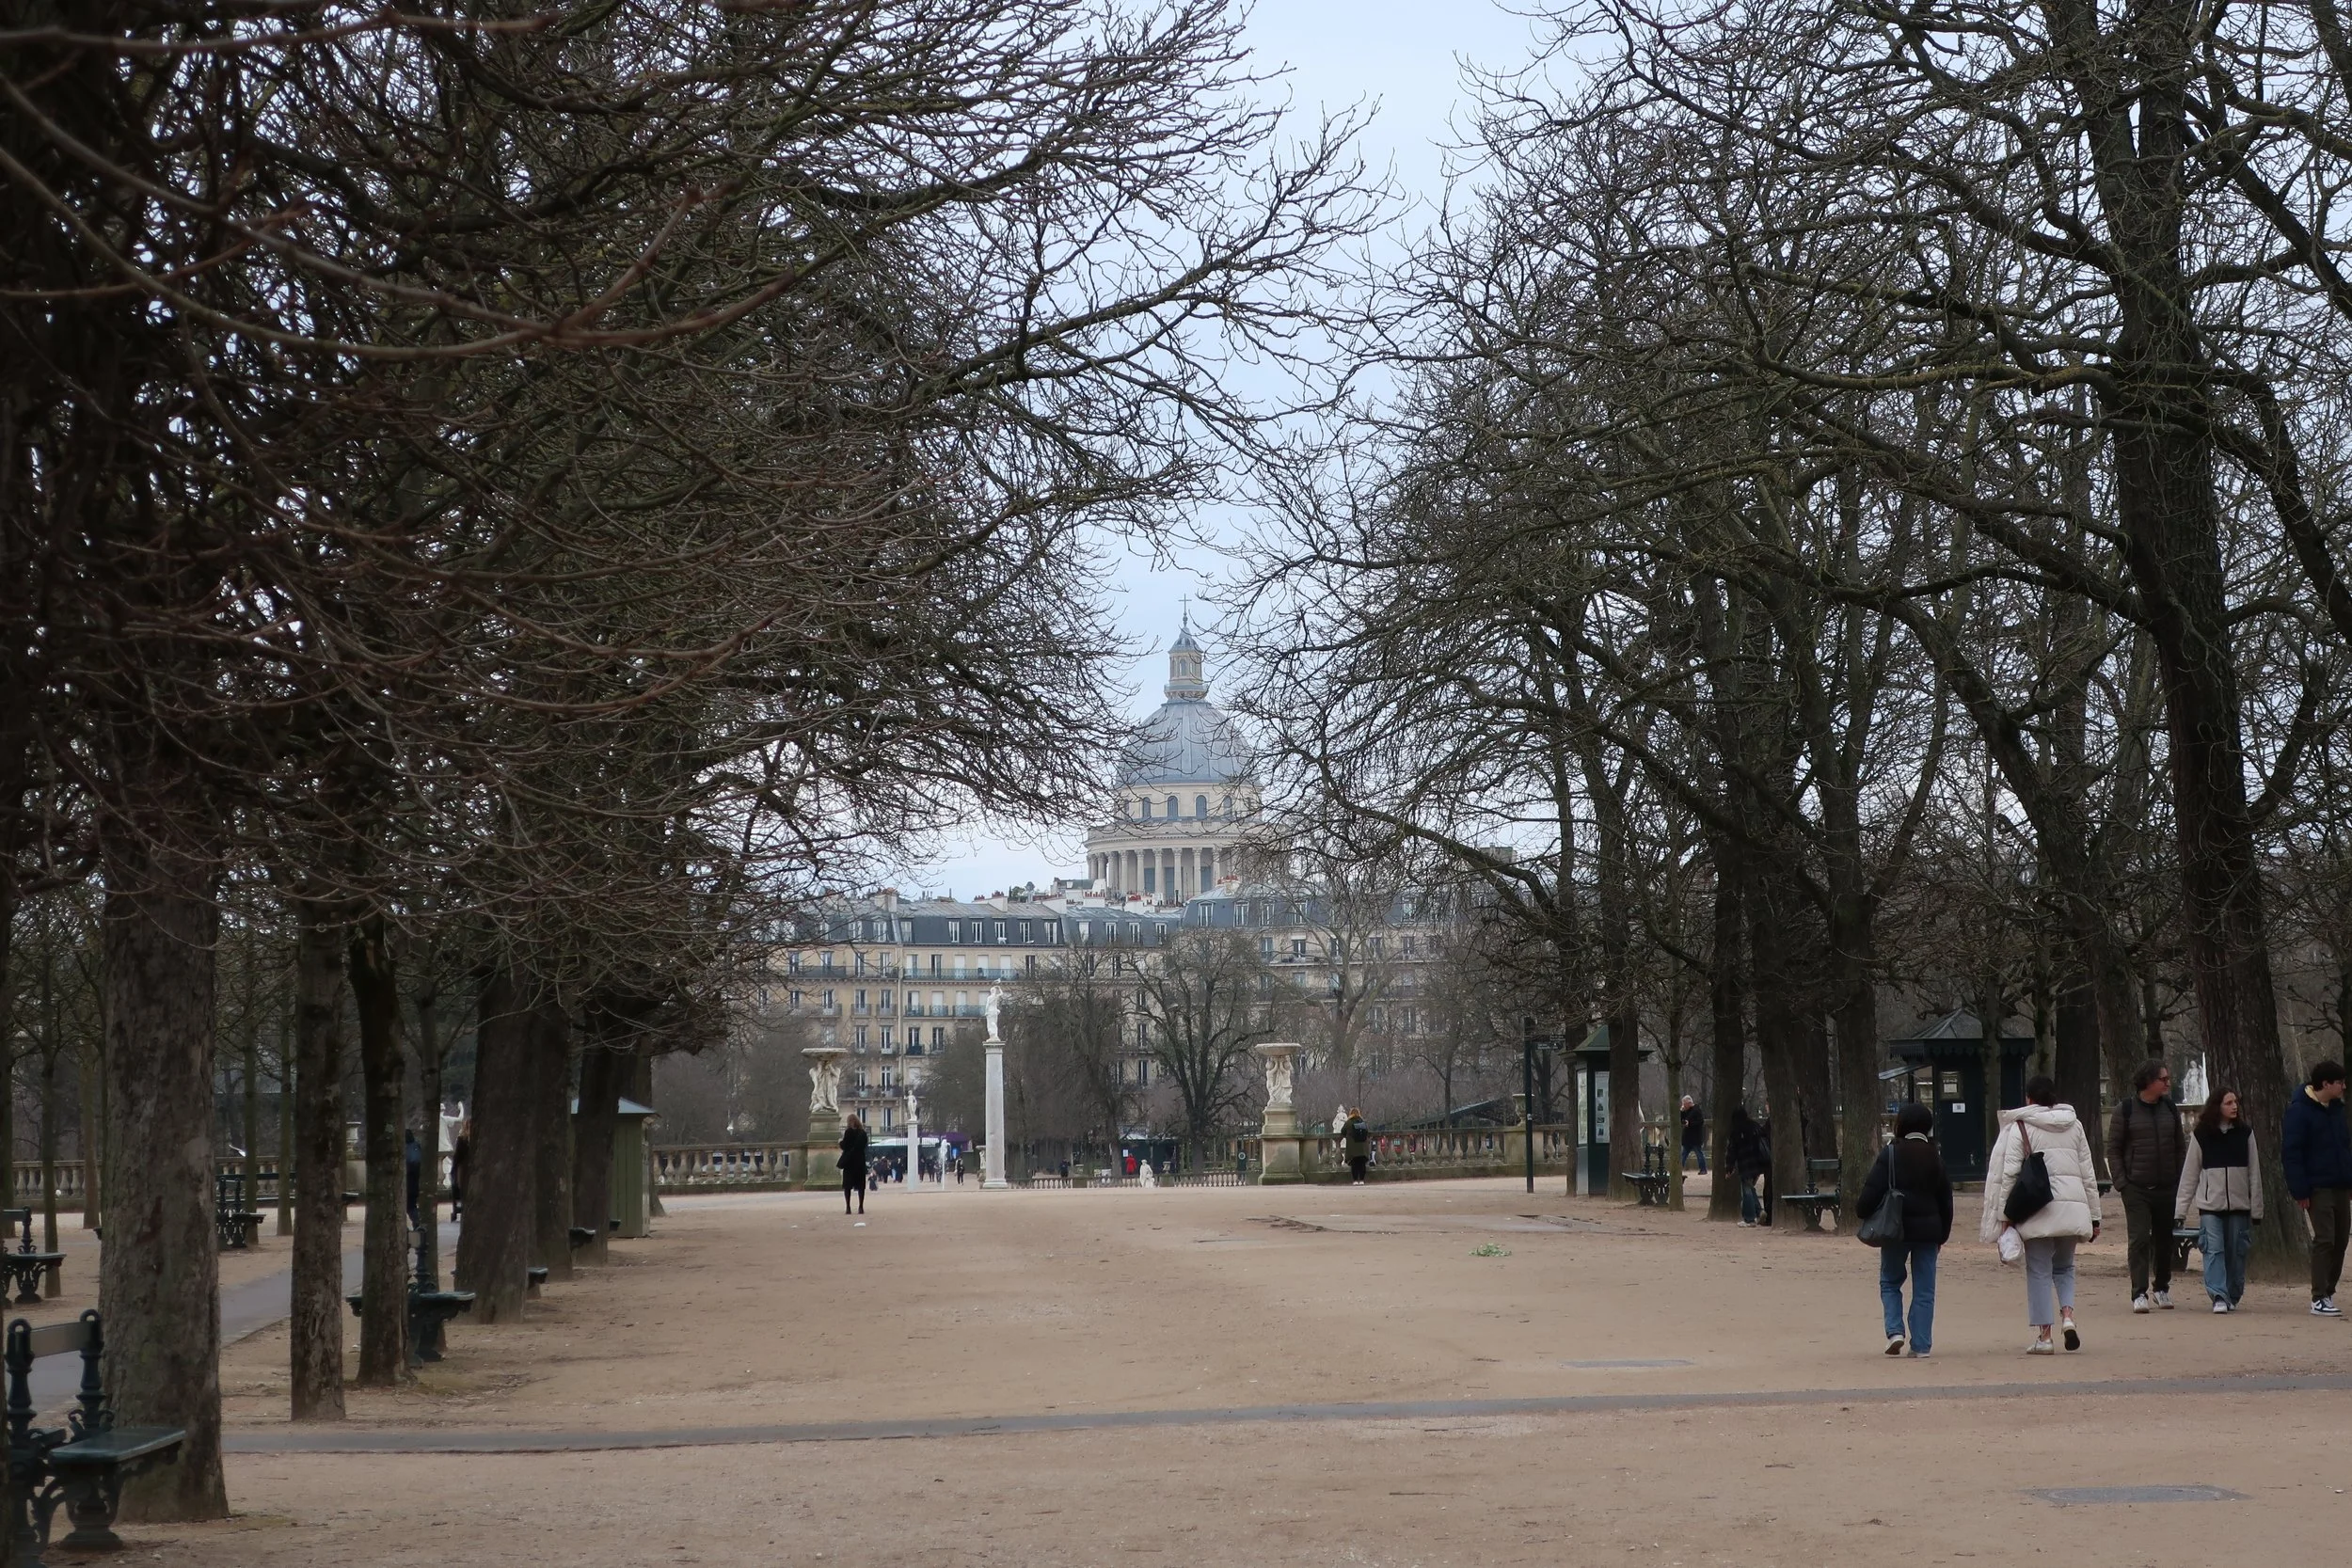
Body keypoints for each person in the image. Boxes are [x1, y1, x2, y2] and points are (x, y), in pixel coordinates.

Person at [1982, 1074, 2103, 1354]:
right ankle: (2069, 1316)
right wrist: (2094, 1217)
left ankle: (2045, 1336)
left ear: (2029, 1099)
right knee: (2065, 1267)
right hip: (2072, 1210)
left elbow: (2010, 1174)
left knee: (2038, 1271)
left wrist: (2005, 1218)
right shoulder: (2075, 1126)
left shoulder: (2021, 1126)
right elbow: (2088, 1174)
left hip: (2036, 1209)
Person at [1857, 1103, 1954, 1357]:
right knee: (1925, 1289)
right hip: (1929, 1231)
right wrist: (1942, 1233)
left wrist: (1863, 1211)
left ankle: (1895, 1331)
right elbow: (1946, 1201)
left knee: (1890, 1282)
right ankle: (1921, 1345)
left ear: (1900, 1124)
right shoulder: (1936, 1156)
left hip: (1895, 1229)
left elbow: (1870, 1194)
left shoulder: (1890, 1154)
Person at [2106, 1059, 2187, 1312]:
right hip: (2136, 1188)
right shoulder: (2126, 1110)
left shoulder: (2170, 1109)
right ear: (2148, 1081)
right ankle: (2138, 1293)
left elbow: (2179, 1147)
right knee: (2140, 1239)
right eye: (2163, 1079)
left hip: (2166, 1186)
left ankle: (2162, 1287)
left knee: (2165, 1240)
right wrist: (2123, 1184)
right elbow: (2114, 1149)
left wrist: (2178, 1178)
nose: (2167, 1083)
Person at [2176, 1086, 2263, 1312]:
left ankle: (2232, 1293)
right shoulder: (2202, 1135)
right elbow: (2190, 1175)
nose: (2234, 1106)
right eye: (2228, 1102)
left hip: (2239, 1205)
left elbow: (2254, 1173)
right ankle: (2218, 1296)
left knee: (2236, 1252)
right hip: (2210, 1206)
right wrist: (2180, 1211)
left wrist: (2257, 1209)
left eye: (2235, 1102)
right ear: (2217, 1106)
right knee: (2213, 1251)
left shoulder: (2245, 1133)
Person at [2281, 1059, 2352, 1316]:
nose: (2343, 1087)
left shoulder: (2337, 1110)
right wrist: (2300, 1190)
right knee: (2325, 1239)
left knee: (2342, 1239)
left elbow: (2345, 1147)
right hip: (2317, 1186)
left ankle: (2329, 1292)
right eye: (2340, 1083)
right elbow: (2292, 1153)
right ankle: (2318, 1296)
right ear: (2326, 1084)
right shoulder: (2299, 1111)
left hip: (2341, 1185)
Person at [1730, 1106, 1769, 1226]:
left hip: (1745, 1162)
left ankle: (1750, 1218)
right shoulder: (1755, 1126)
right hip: (1757, 1162)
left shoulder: (1737, 1130)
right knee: (1750, 1187)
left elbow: (1732, 1150)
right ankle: (1759, 1211)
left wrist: (1729, 1167)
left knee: (1746, 1189)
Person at [839, 1113, 869, 1216]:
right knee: (861, 1186)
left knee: (847, 1186)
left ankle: (848, 1207)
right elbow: (865, 1146)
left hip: (849, 1162)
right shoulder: (863, 1133)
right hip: (859, 1161)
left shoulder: (848, 1132)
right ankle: (861, 1206)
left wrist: (840, 1143)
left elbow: (845, 1146)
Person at [449, 1119, 472, 1220]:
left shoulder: (463, 1139)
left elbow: (457, 1158)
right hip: (465, 1170)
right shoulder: (462, 1139)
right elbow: (457, 1158)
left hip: (466, 1170)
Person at [1342, 1107, 1371, 1185]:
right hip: (1363, 1147)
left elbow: (1342, 1131)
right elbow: (1367, 1132)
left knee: (1354, 1164)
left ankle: (1355, 1180)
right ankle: (1362, 1180)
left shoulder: (1349, 1122)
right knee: (1362, 1164)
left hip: (1353, 1147)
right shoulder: (1363, 1121)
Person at [1679, 1095, 1707, 1174]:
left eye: (1684, 1104)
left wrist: (1690, 1124)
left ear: (1689, 1103)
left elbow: (1700, 1122)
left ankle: (1703, 1169)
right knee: (1683, 1154)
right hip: (1688, 1138)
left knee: (1699, 1154)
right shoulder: (1687, 1110)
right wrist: (1681, 1111)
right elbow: (1682, 1119)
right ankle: (1679, 1168)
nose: (1683, 1106)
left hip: (1695, 1137)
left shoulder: (1697, 1110)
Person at [404, 1128, 423, 1224]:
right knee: (412, 1205)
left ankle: (416, 1223)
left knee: (409, 1206)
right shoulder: (416, 1146)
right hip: (414, 1183)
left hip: (407, 1182)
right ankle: (417, 1223)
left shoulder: (404, 1149)